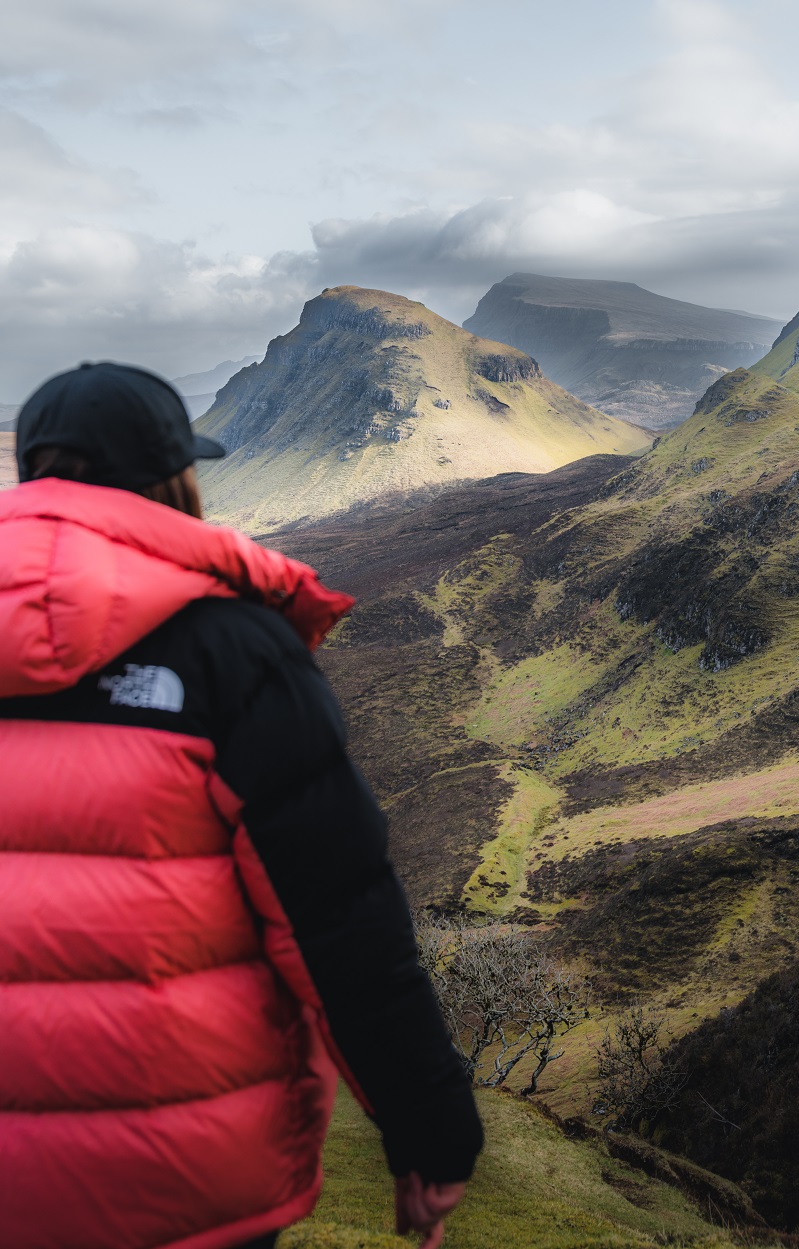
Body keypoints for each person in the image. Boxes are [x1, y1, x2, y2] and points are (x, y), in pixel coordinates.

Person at [0, 362, 482, 1249]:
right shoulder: (232, 647)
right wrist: (432, 1133)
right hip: (178, 1173)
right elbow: (340, 917)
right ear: (171, 480)